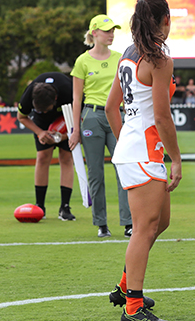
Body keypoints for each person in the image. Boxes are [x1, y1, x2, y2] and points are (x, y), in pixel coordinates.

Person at [106, 0, 182, 321]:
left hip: (135, 149)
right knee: (144, 228)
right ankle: (133, 307)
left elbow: (112, 107)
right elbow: (163, 117)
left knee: (159, 223)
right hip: (143, 152)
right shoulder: (160, 58)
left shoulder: (129, 53)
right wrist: (176, 159)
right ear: (165, 19)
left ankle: (126, 286)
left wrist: (126, 142)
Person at [70, 14, 131, 238]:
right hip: (92, 117)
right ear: (94, 32)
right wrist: (76, 129)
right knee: (95, 173)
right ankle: (101, 223)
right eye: (106, 30)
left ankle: (128, 222)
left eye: (113, 30)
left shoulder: (121, 57)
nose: (111, 34)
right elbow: (77, 98)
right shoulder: (82, 61)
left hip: (117, 115)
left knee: (123, 169)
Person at [17, 72, 75, 221]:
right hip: (41, 124)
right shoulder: (30, 93)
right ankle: (40, 206)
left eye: (45, 109)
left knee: (66, 158)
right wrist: (40, 132)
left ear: (55, 100)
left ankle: (65, 207)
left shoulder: (68, 90)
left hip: (67, 119)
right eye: (39, 110)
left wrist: (65, 136)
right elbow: (21, 117)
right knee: (42, 157)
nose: (43, 111)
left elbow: (81, 115)